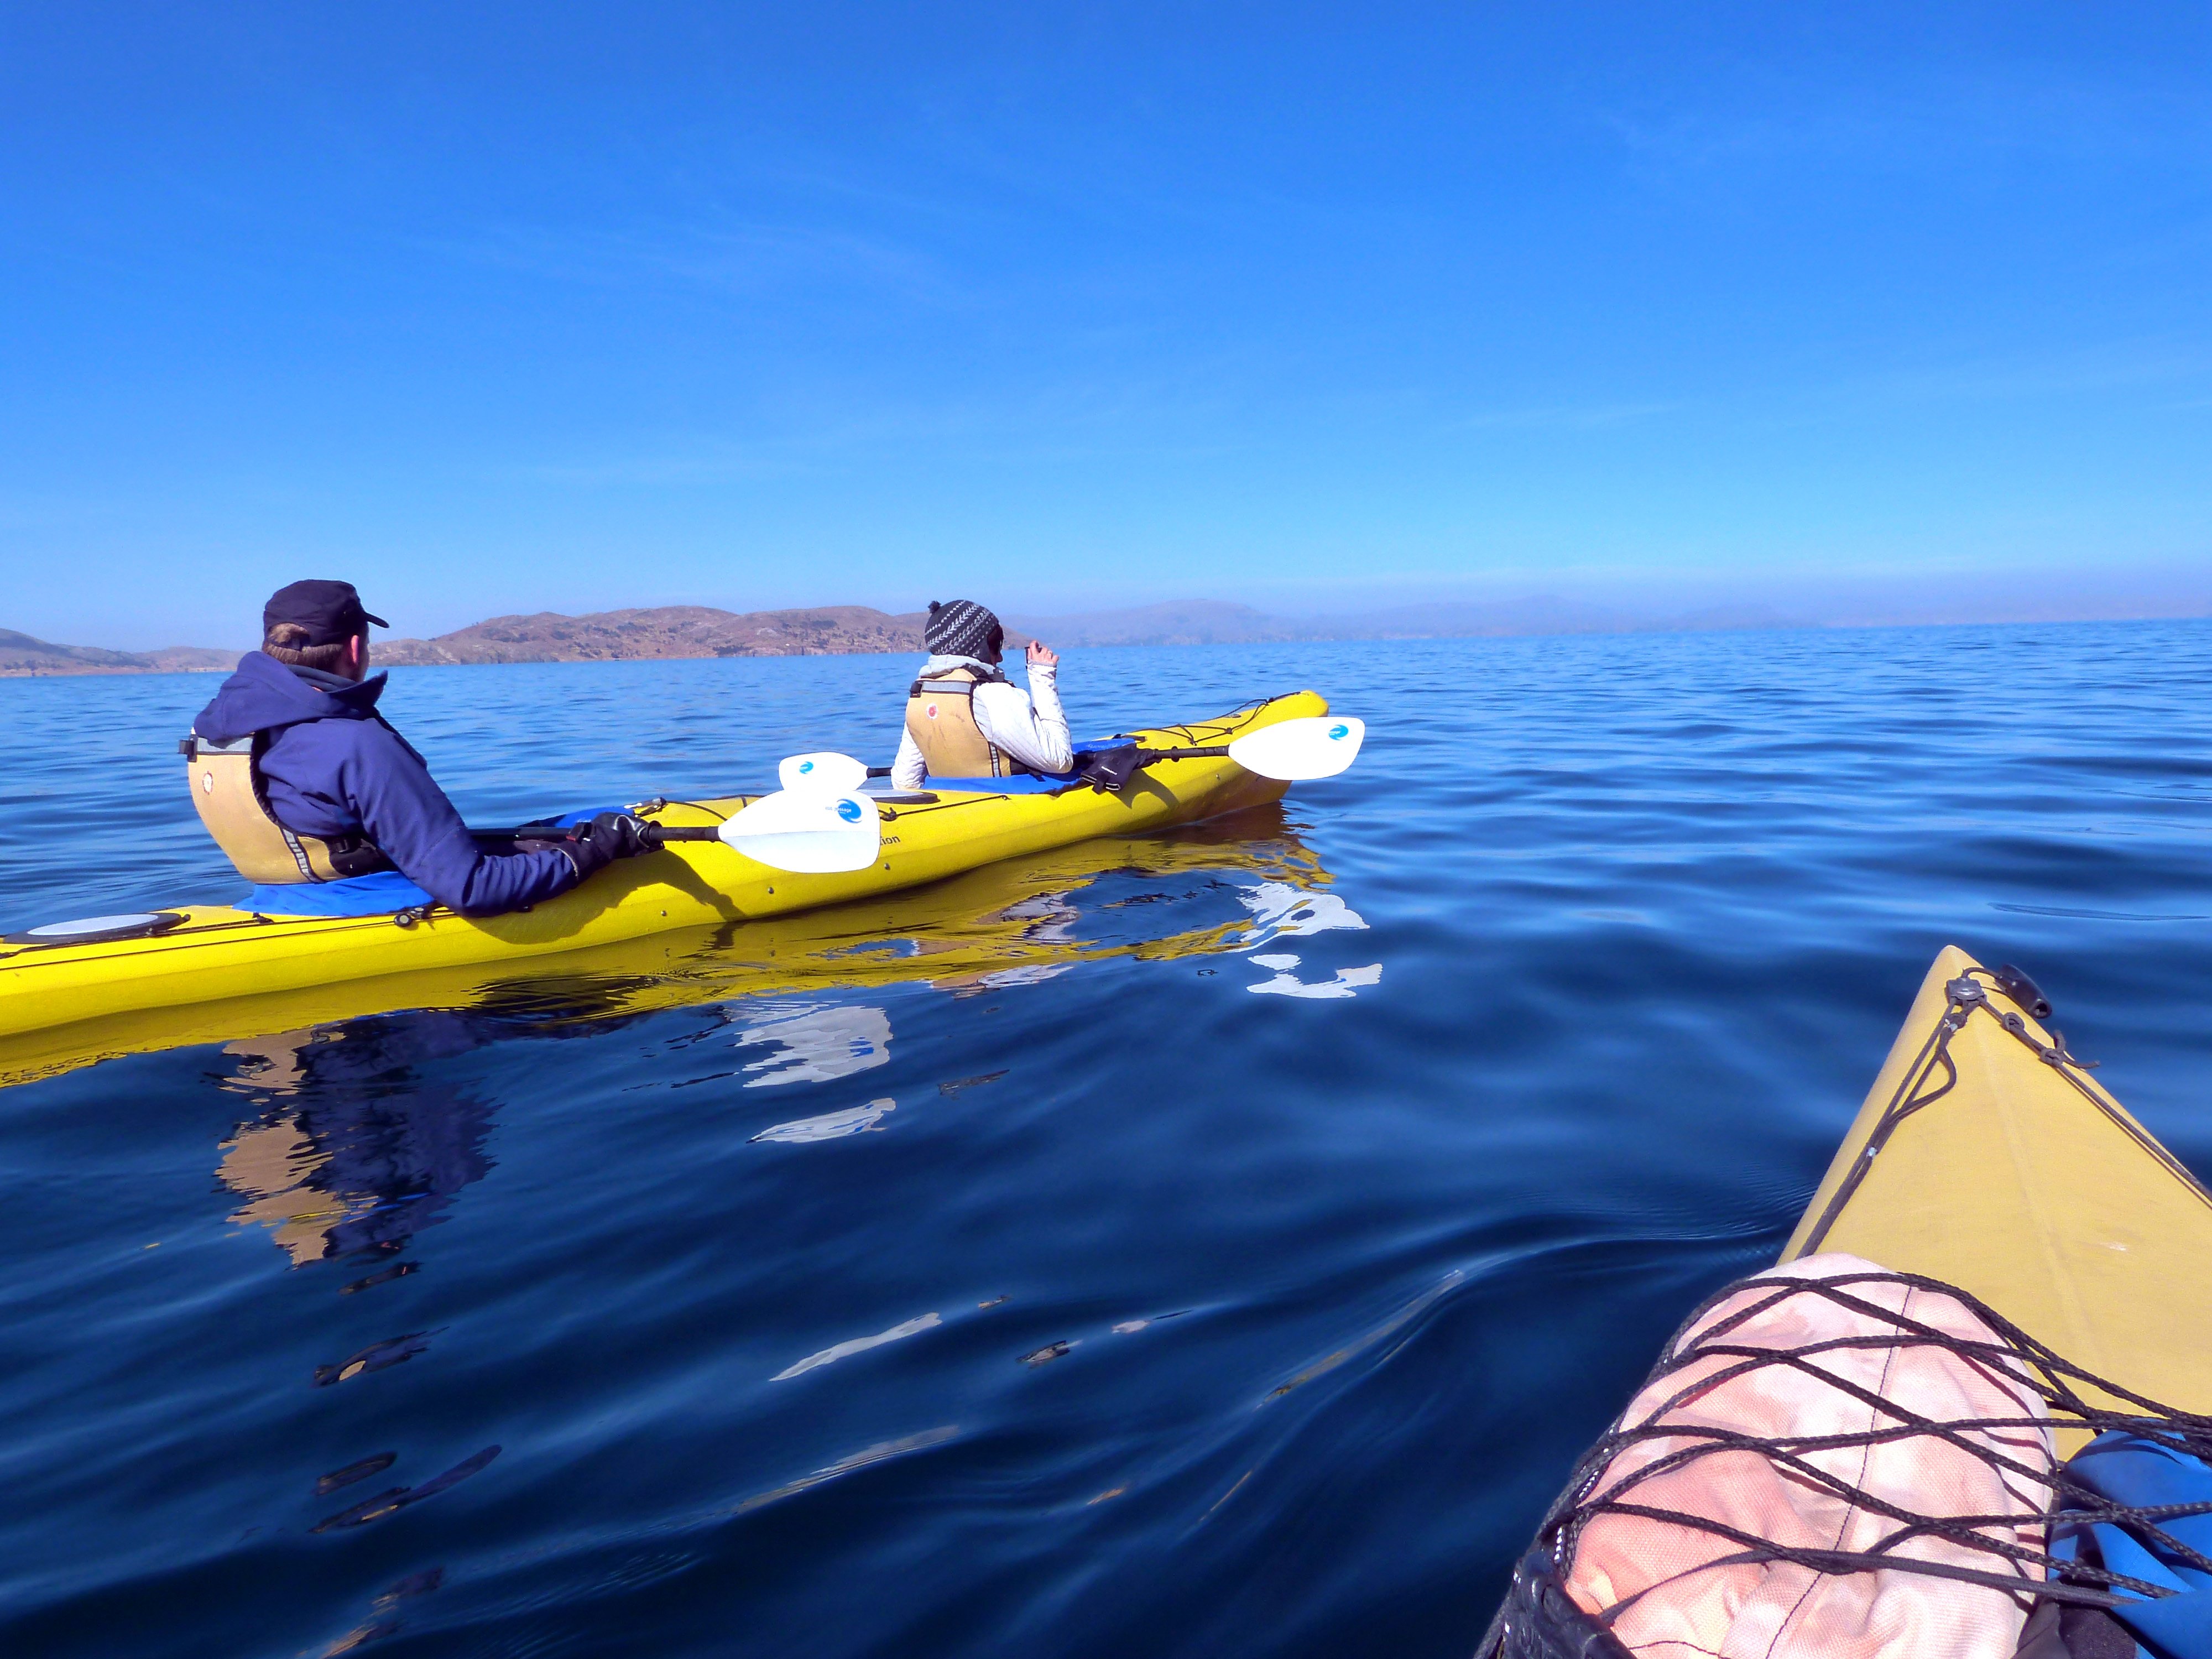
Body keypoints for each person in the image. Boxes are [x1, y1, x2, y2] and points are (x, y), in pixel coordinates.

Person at [188, 580, 653, 915]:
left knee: (552, 831)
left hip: (279, 897)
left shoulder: (217, 730)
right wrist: (595, 852)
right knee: (592, 838)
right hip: (365, 905)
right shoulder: (355, 742)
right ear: (355, 649)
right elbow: (474, 889)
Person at [891, 599, 1073, 787]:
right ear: (978, 648)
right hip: (1006, 806)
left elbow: (904, 782)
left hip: (954, 808)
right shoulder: (993, 695)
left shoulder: (920, 695)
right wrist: (1042, 675)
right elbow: (1060, 760)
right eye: (996, 644)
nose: (1000, 657)